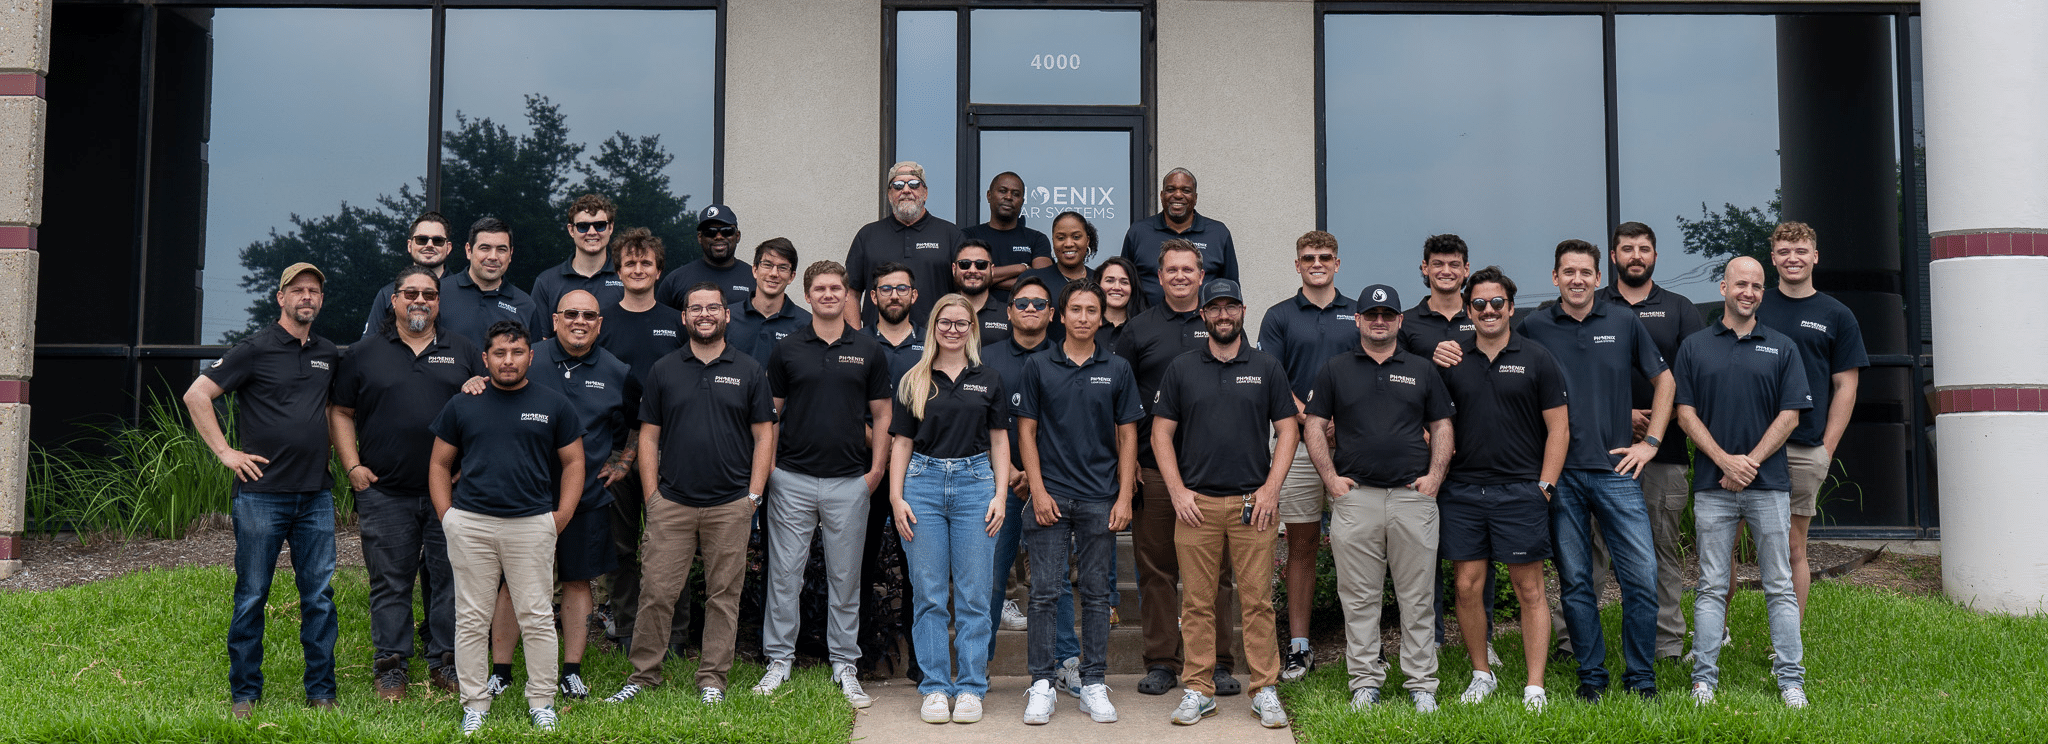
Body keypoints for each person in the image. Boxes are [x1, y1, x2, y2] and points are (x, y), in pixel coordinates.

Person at [1512, 239, 1675, 701]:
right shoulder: (1536, 326)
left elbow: (1665, 381)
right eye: (1568, 272)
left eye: (1586, 272)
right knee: (1577, 582)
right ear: (1555, 277)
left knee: (1640, 578)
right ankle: (1592, 676)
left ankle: (1641, 677)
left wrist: (1651, 443)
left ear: (1598, 278)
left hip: (1616, 472)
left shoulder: (1623, 321)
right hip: (1561, 475)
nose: (1577, 279)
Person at [606, 282, 777, 707]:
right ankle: (644, 675)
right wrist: (653, 496)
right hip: (674, 503)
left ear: (726, 315)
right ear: (683, 318)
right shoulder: (665, 369)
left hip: (730, 504)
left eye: (712, 307)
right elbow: (648, 438)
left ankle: (712, 680)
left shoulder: (750, 369)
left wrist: (752, 497)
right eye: (695, 308)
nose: (704, 314)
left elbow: (764, 437)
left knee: (724, 595)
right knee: (657, 592)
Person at [185, 262, 340, 719]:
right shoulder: (253, 350)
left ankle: (321, 693)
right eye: (298, 291)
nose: (306, 298)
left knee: (319, 598)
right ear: (281, 298)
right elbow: (197, 395)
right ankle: (245, 694)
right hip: (261, 495)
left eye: (314, 291)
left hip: (316, 495)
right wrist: (226, 453)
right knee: (253, 594)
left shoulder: (328, 353)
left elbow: (334, 409)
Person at [329, 264, 485, 701]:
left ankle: (445, 661)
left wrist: (482, 387)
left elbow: (487, 411)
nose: (421, 300)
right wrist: (352, 466)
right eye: (410, 293)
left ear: (439, 302)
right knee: (390, 581)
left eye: (430, 294)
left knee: (450, 578)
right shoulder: (363, 352)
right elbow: (340, 411)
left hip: (450, 494)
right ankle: (391, 666)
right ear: (394, 300)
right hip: (383, 491)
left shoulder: (465, 351)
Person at [1303, 283, 1455, 713]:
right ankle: (1365, 682)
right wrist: (1330, 480)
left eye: (1388, 314)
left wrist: (1435, 478)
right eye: (1371, 314)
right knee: (1359, 596)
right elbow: (1314, 425)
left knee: (1418, 596)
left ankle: (1422, 682)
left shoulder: (1423, 370)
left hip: (1413, 497)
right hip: (1357, 498)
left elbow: (1442, 426)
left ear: (1400, 321)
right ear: (1358, 320)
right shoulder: (1335, 369)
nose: (1380, 320)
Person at [1153, 278, 1297, 729]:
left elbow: (1288, 430)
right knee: (1196, 603)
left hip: (1253, 504)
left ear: (1242, 311)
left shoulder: (1267, 366)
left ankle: (1265, 688)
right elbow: (1160, 433)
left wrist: (1272, 489)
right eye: (1214, 308)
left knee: (1257, 602)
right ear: (1203, 315)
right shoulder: (1181, 368)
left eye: (1230, 307)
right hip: (1197, 505)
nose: (1223, 315)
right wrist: (1177, 491)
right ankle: (1198, 689)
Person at [428, 320, 585, 735]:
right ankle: (475, 704)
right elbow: (439, 463)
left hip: (531, 525)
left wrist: (561, 517)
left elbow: (574, 463)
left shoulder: (554, 404)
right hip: (472, 524)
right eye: (499, 353)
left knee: (535, 616)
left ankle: (542, 700)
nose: (509, 360)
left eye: (517, 352)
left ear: (531, 356)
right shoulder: (463, 404)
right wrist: (448, 517)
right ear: (485, 359)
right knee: (471, 619)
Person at [1673, 256, 1813, 709]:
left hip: (1768, 485)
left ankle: (1791, 679)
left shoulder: (1782, 346)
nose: (1748, 291)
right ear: (1723, 288)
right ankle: (1703, 680)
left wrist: (1748, 463)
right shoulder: (1695, 347)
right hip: (1714, 488)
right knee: (1712, 584)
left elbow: (1790, 415)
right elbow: (1684, 412)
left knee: (1779, 583)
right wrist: (1722, 461)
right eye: (1740, 284)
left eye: (1756, 285)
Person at [1562, 222, 1705, 663]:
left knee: (1661, 549)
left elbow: (1689, 377)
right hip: (1600, 454)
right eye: (1628, 249)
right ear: (1614, 257)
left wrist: (1657, 426)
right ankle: (1573, 641)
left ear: (1655, 257)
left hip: (1665, 452)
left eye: (1644, 248)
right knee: (1593, 550)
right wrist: (1621, 415)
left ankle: (1665, 643)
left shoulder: (1680, 308)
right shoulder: (1589, 303)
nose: (1636, 256)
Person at [754, 261, 894, 709]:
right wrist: (772, 468)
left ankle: (844, 664)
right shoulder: (788, 348)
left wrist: (874, 473)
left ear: (847, 294)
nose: (829, 295)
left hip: (850, 481)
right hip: (791, 479)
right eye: (820, 289)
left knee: (845, 578)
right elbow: (769, 414)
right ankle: (779, 661)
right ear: (808, 296)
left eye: (836, 288)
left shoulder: (869, 349)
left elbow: (884, 415)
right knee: (784, 576)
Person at [484, 290, 636, 701]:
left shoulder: (617, 371)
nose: (580, 321)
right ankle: (500, 671)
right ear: (554, 320)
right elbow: (489, 388)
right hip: (523, 496)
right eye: (571, 313)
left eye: (589, 314)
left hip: (585, 499)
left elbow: (636, 421)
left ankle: (571, 671)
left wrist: (623, 460)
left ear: (599, 324)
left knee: (576, 580)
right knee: (512, 584)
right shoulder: (526, 356)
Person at [1435, 266, 1569, 712]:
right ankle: (1481, 674)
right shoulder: (1453, 362)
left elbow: (1559, 428)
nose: (1488, 310)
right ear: (1468, 310)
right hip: (1465, 491)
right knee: (1468, 586)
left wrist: (1544, 487)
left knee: (1528, 587)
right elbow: (1436, 426)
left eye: (1497, 303)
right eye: (1479, 304)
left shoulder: (1537, 357)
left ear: (1511, 307)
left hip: (1520, 491)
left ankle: (1535, 686)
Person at [1014, 280, 1144, 725]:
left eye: (1092, 310)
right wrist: (1038, 490)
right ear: (1060, 316)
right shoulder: (1038, 365)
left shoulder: (1118, 368)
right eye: (1076, 310)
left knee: (1094, 595)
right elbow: (1026, 431)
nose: (1084, 318)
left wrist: (1124, 496)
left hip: (1098, 497)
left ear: (1100, 317)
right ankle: (1042, 684)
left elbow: (1128, 434)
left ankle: (1092, 682)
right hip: (1050, 495)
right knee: (1045, 594)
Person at [1115, 238, 1240, 698]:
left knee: (1218, 575)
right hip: (1155, 469)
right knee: (1157, 570)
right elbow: (1121, 407)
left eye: (1189, 269)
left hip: (1214, 473)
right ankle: (1163, 661)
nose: (1181, 277)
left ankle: (1219, 663)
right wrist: (1126, 475)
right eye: (1172, 270)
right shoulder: (1138, 330)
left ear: (1201, 275)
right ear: (1160, 276)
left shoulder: (1222, 323)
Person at [887, 294, 1011, 724]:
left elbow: (999, 440)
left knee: (976, 593)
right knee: (929, 594)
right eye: (946, 322)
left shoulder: (989, 378)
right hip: (921, 485)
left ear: (972, 329)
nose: (953, 329)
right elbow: (901, 442)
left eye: (962, 323)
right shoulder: (914, 379)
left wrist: (999, 494)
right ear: (934, 326)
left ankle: (972, 686)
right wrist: (896, 496)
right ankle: (936, 686)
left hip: (977, 486)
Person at [1256, 231, 1355, 682]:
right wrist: (1314, 418)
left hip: (1351, 444)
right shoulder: (1278, 316)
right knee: (1301, 545)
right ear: (1297, 265)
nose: (1317, 263)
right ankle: (1299, 646)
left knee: (1360, 545)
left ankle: (1362, 645)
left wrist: (1343, 420)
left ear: (1338, 263)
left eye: (1325, 257)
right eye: (1308, 257)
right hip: (1296, 444)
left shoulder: (1358, 314)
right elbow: (1273, 379)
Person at [1754, 220, 1868, 617]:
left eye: (1800, 251)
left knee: (1793, 546)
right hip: (1747, 448)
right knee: (1728, 545)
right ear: (1773, 259)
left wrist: (1827, 447)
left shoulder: (1836, 315)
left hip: (1804, 448)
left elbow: (1846, 387)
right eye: (1784, 252)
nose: (1792, 258)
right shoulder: (1756, 305)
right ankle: (1720, 632)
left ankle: (1790, 638)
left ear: (1815, 256)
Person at [980, 277, 1084, 693]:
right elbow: (977, 424)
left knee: (1054, 579)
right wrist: (1010, 475)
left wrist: (1037, 479)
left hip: (1051, 487)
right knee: (988, 578)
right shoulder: (984, 359)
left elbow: (1070, 427)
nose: (1029, 309)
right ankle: (978, 663)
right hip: (996, 486)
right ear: (1008, 311)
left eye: (1039, 303)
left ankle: (1065, 663)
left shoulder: (1064, 359)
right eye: (1021, 302)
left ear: (1051, 314)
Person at [594, 227, 688, 654]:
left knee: (674, 542)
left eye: (645, 262)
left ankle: (676, 634)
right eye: (629, 263)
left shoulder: (676, 321)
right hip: (614, 450)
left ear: (658, 270)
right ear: (618, 270)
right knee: (620, 545)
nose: (637, 269)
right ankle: (629, 628)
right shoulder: (601, 321)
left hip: (674, 448)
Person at [846, 161, 965, 328]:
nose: (906, 190)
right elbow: (850, 293)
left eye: (915, 185)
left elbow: (965, 292)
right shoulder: (868, 235)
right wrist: (857, 338)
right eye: (898, 185)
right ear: (889, 194)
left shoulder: (950, 234)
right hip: (878, 345)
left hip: (936, 343)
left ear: (925, 193)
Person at [1120, 168, 1238, 306]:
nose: (1178, 195)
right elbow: (1123, 281)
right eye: (1171, 189)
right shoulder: (1139, 232)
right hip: (1148, 323)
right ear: (1162, 195)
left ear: (1195, 197)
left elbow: (1231, 288)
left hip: (1203, 323)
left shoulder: (1218, 233)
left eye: (1186, 191)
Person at [440, 216, 547, 348]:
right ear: (469, 250)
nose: (493, 257)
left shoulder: (525, 306)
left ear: (511, 254)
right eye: (485, 248)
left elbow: (533, 361)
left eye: (501, 250)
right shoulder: (439, 293)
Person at [530, 193, 625, 329]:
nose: (592, 232)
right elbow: (541, 341)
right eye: (583, 226)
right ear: (571, 230)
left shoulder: (626, 278)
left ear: (610, 228)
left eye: (599, 225)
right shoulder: (547, 282)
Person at [362, 212, 455, 340]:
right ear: (410, 245)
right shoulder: (388, 293)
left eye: (437, 240)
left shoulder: (464, 292)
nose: (429, 245)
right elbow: (368, 347)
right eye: (421, 240)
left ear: (448, 248)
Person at [960, 171, 1053, 292]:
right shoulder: (968, 236)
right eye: (1003, 191)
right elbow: (962, 277)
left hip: (1024, 309)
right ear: (989, 195)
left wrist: (984, 280)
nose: (1009, 197)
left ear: (1022, 201)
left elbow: (1042, 282)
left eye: (1016, 194)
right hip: (978, 310)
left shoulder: (1037, 239)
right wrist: (1021, 268)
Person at [727, 238, 811, 364]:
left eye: (782, 268)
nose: (774, 273)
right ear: (755, 270)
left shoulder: (806, 324)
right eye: (767, 265)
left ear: (791, 277)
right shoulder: (727, 317)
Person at [657, 204, 756, 307]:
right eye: (710, 232)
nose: (719, 237)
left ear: (737, 236)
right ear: (700, 237)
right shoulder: (675, 281)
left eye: (726, 231)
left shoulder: (755, 279)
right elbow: (661, 320)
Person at [864, 261, 927, 383]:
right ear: (874, 296)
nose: (894, 296)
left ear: (913, 296)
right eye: (886, 289)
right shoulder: (860, 342)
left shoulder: (930, 342)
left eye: (902, 289)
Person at [1018, 210, 1096, 302]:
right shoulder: (1031, 279)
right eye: (1061, 238)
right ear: (1053, 242)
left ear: (1087, 241)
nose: (1068, 244)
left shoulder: (1100, 280)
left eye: (1076, 237)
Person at [952, 241, 1013, 346]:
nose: (972, 270)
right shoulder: (942, 312)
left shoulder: (1009, 315)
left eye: (981, 265)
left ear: (992, 270)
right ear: (954, 269)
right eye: (964, 264)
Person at [1094, 256, 1147, 351]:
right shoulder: (1086, 325)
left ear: (1132, 288)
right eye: (1110, 281)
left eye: (1124, 282)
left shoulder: (1144, 329)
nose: (1117, 287)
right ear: (1098, 284)